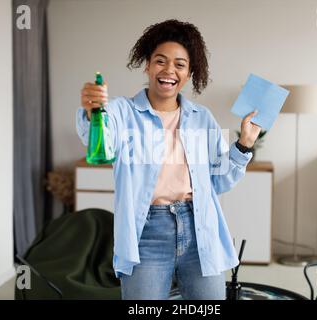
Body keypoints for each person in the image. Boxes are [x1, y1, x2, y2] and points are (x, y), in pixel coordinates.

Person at [76, 19, 261, 300]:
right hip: (146, 234)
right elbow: (101, 141)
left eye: (180, 64)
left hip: (199, 228)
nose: (169, 70)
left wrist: (244, 144)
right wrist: (93, 113)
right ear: (147, 65)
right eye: (160, 61)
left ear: (188, 74)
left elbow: (218, 181)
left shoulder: (202, 118)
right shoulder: (121, 111)